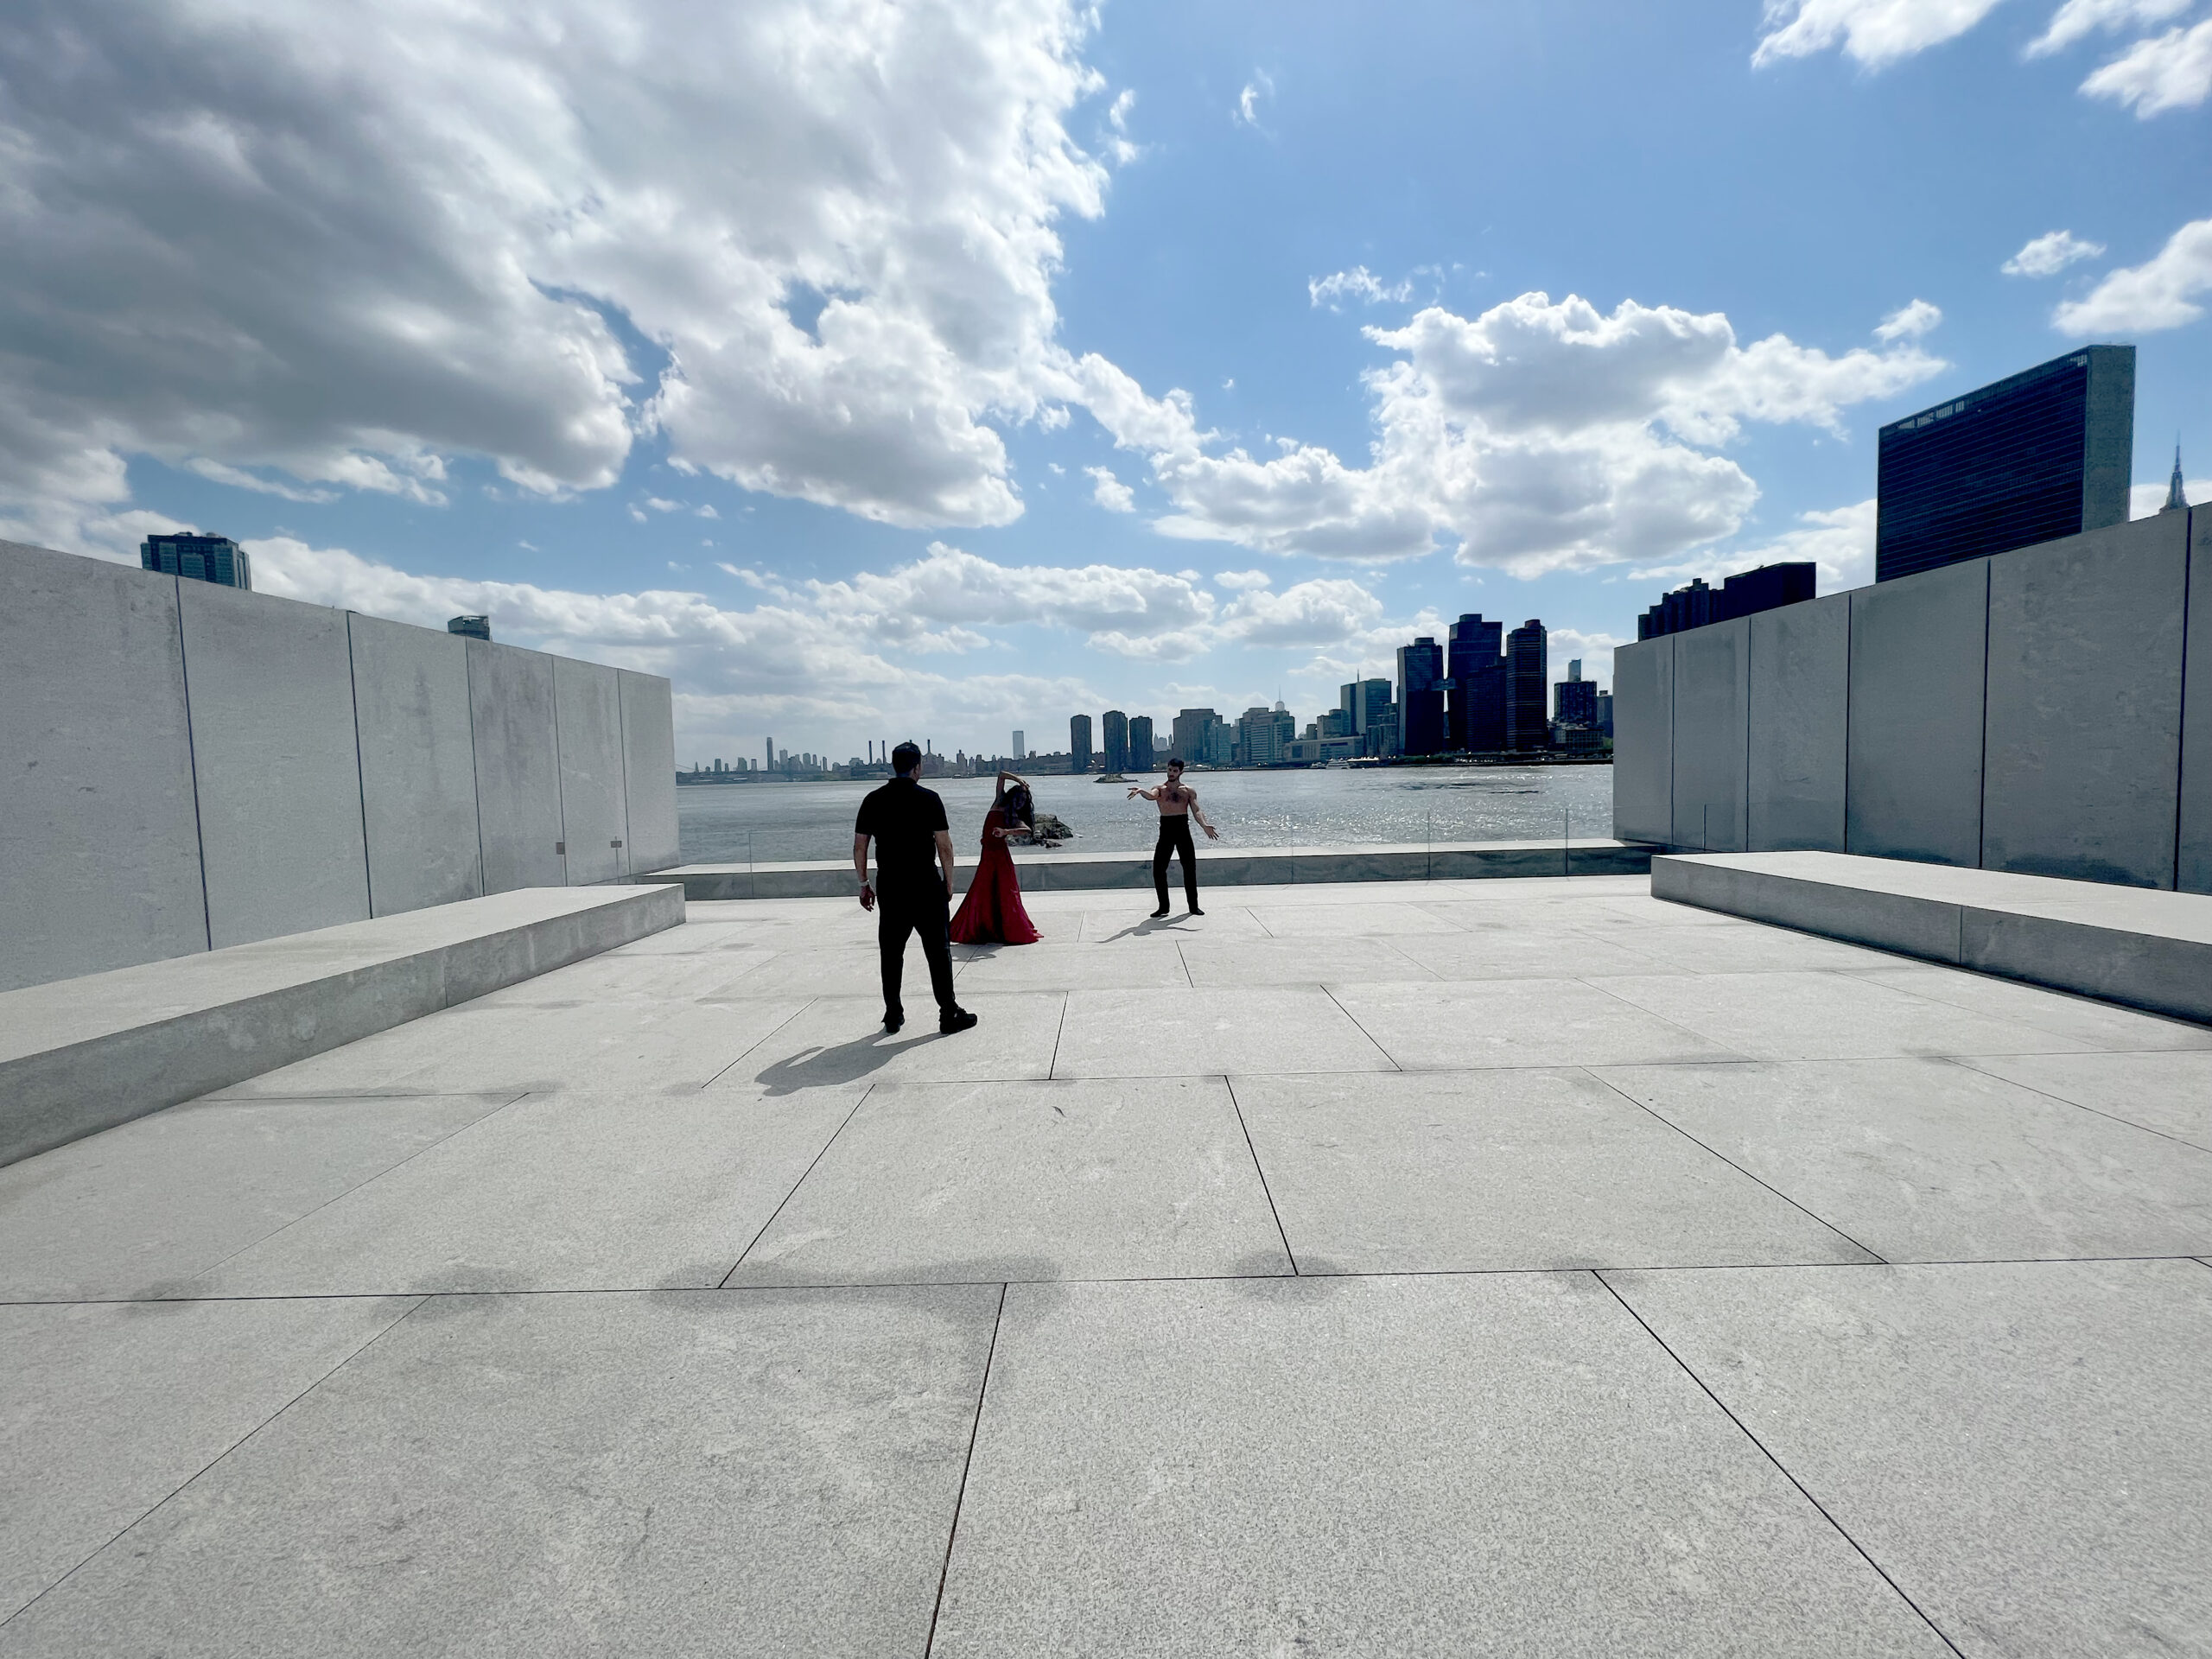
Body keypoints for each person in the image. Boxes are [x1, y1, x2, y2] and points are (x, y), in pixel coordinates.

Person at [854, 742, 978, 1035]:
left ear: (894, 766)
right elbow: (944, 845)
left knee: (891, 952)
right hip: (925, 885)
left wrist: (863, 884)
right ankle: (948, 1012)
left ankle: (893, 1013)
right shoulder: (929, 799)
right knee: (938, 951)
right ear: (918, 767)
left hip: (891, 887)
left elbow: (860, 846)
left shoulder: (873, 800)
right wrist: (949, 881)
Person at [950, 770, 1043, 945]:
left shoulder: (1011, 814)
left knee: (1005, 892)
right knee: (983, 890)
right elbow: (1001, 775)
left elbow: (1027, 830)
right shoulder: (999, 800)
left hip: (1000, 855)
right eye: (1020, 797)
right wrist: (1018, 779)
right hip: (988, 855)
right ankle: (987, 928)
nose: (1021, 801)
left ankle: (1004, 930)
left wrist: (1006, 832)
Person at [1128, 757, 1217, 918]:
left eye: (1175, 771)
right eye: (1169, 770)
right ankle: (1163, 907)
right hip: (1166, 830)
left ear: (1181, 772)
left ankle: (1193, 906)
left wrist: (1204, 825)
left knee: (1189, 869)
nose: (1171, 773)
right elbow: (1151, 796)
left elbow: (1196, 810)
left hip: (1183, 829)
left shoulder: (1188, 791)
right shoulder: (1160, 789)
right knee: (1158, 869)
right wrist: (1141, 791)